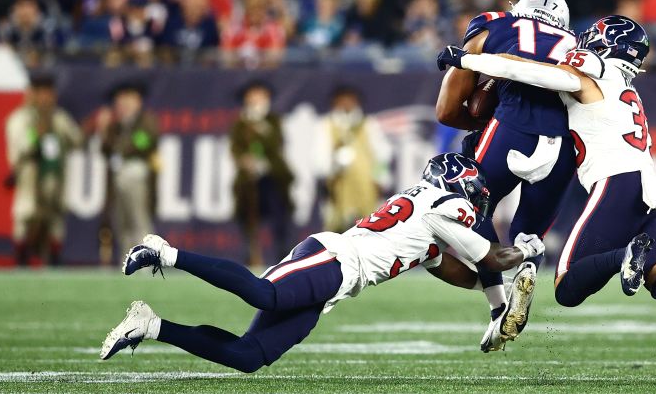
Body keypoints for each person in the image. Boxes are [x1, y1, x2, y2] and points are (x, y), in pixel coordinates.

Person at [438, 15, 656, 384]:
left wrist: (469, 60)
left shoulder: (596, 67)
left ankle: (627, 254)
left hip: (618, 186)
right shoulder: (627, 86)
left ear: (605, 44)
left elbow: (548, 75)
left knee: (568, 288)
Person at [100, 154, 545, 369]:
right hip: (332, 258)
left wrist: (498, 302)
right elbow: (493, 255)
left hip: (337, 281)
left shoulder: (429, 223)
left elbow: (462, 271)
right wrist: (529, 250)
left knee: (250, 356)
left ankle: (150, 325)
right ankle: (165, 250)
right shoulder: (442, 209)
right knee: (265, 293)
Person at [434, 0, 578, 351]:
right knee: (528, 233)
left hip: (512, 123)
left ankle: (498, 305)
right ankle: (526, 260)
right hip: (563, 141)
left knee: (470, 205)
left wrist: (481, 118)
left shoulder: (497, 24)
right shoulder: (578, 44)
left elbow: (446, 110)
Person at [4, 72, 82, 266]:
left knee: (55, 224)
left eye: (49, 93)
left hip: (55, 180)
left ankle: (53, 264)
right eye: (41, 93)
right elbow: (18, 150)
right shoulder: (21, 119)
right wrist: (35, 137)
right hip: (30, 180)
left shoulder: (60, 118)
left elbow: (76, 140)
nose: (46, 98)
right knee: (25, 219)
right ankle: (21, 264)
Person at [230, 81, 295, 266]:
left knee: (280, 220)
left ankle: (284, 259)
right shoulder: (240, 123)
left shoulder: (273, 120)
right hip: (248, 179)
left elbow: (276, 144)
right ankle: (251, 257)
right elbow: (235, 148)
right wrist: (244, 160)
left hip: (273, 177)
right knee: (248, 220)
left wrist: (260, 126)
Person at [96, 82, 161, 259]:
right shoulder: (116, 126)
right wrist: (104, 130)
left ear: (138, 100)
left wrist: (121, 151)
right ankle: (129, 265)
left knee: (139, 221)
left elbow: (145, 142)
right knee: (121, 224)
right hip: (117, 181)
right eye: (120, 100)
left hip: (138, 178)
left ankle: (147, 264)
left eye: (128, 98)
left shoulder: (146, 120)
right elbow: (105, 150)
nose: (123, 104)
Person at [316, 86, 391, 231]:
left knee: (370, 228)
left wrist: (380, 178)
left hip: (366, 185)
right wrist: (331, 169)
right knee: (336, 230)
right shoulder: (326, 125)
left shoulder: (369, 124)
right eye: (341, 101)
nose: (346, 104)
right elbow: (320, 158)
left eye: (350, 100)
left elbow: (383, 154)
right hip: (337, 186)